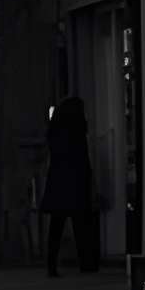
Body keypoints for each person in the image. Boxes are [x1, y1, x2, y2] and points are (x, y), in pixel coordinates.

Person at [41, 97, 97, 278]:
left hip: (58, 183)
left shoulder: (56, 131)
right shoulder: (77, 130)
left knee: (56, 226)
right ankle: (86, 263)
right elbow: (83, 158)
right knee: (81, 225)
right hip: (75, 183)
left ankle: (51, 264)